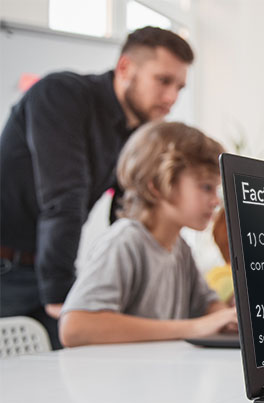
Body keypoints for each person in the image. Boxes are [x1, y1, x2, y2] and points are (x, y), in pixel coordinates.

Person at [0, 27, 194, 349]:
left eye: (179, 87)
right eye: (163, 81)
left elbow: (129, 214)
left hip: (44, 268)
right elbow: (64, 198)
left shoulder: (136, 131)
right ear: (124, 68)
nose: (172, 97)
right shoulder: (61, 94)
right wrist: (61, 295)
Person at [58, 122, 237, 347]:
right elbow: (75, 328)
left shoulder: (180, 248)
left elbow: (207, 304)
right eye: (206, 187)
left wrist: (226, 318)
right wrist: (195, 326)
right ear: (157, 185)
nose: (216, 201)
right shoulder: (125, 241)